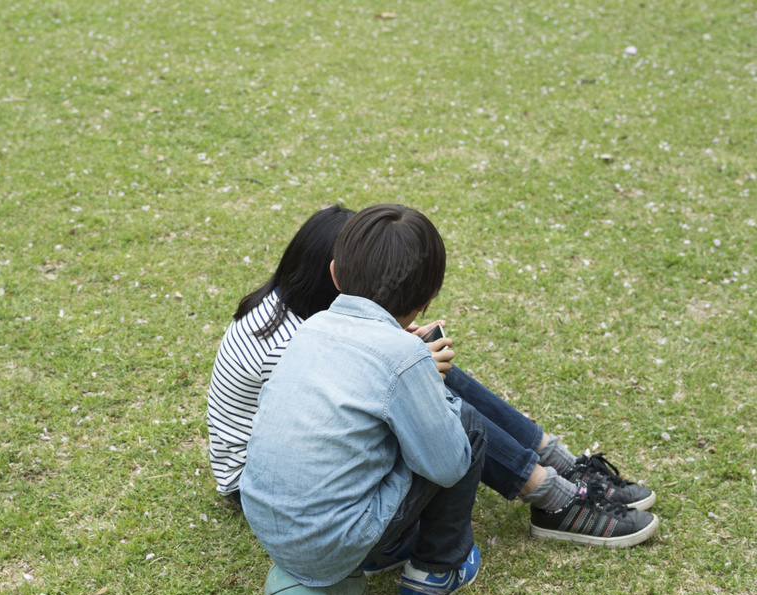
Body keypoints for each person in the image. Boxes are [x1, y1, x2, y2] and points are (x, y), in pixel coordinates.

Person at [207, 204, 659, 550]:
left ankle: (556, 462)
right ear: (335, 277)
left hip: (298, 462)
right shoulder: (291, 342)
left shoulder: (293, 310)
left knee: (432, 366)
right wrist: (414, 365)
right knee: (432, 388)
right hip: (258, 483)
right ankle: (553, 497)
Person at [239, 203, 486, 595]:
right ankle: (435, 570)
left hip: (268, 526)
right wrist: (431, 394)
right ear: (429, 298)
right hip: (331, 542)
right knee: (466, 424)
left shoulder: (310, 328)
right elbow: (447, 466)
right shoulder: (405, 355)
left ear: (335, 275)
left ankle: (377, 552)